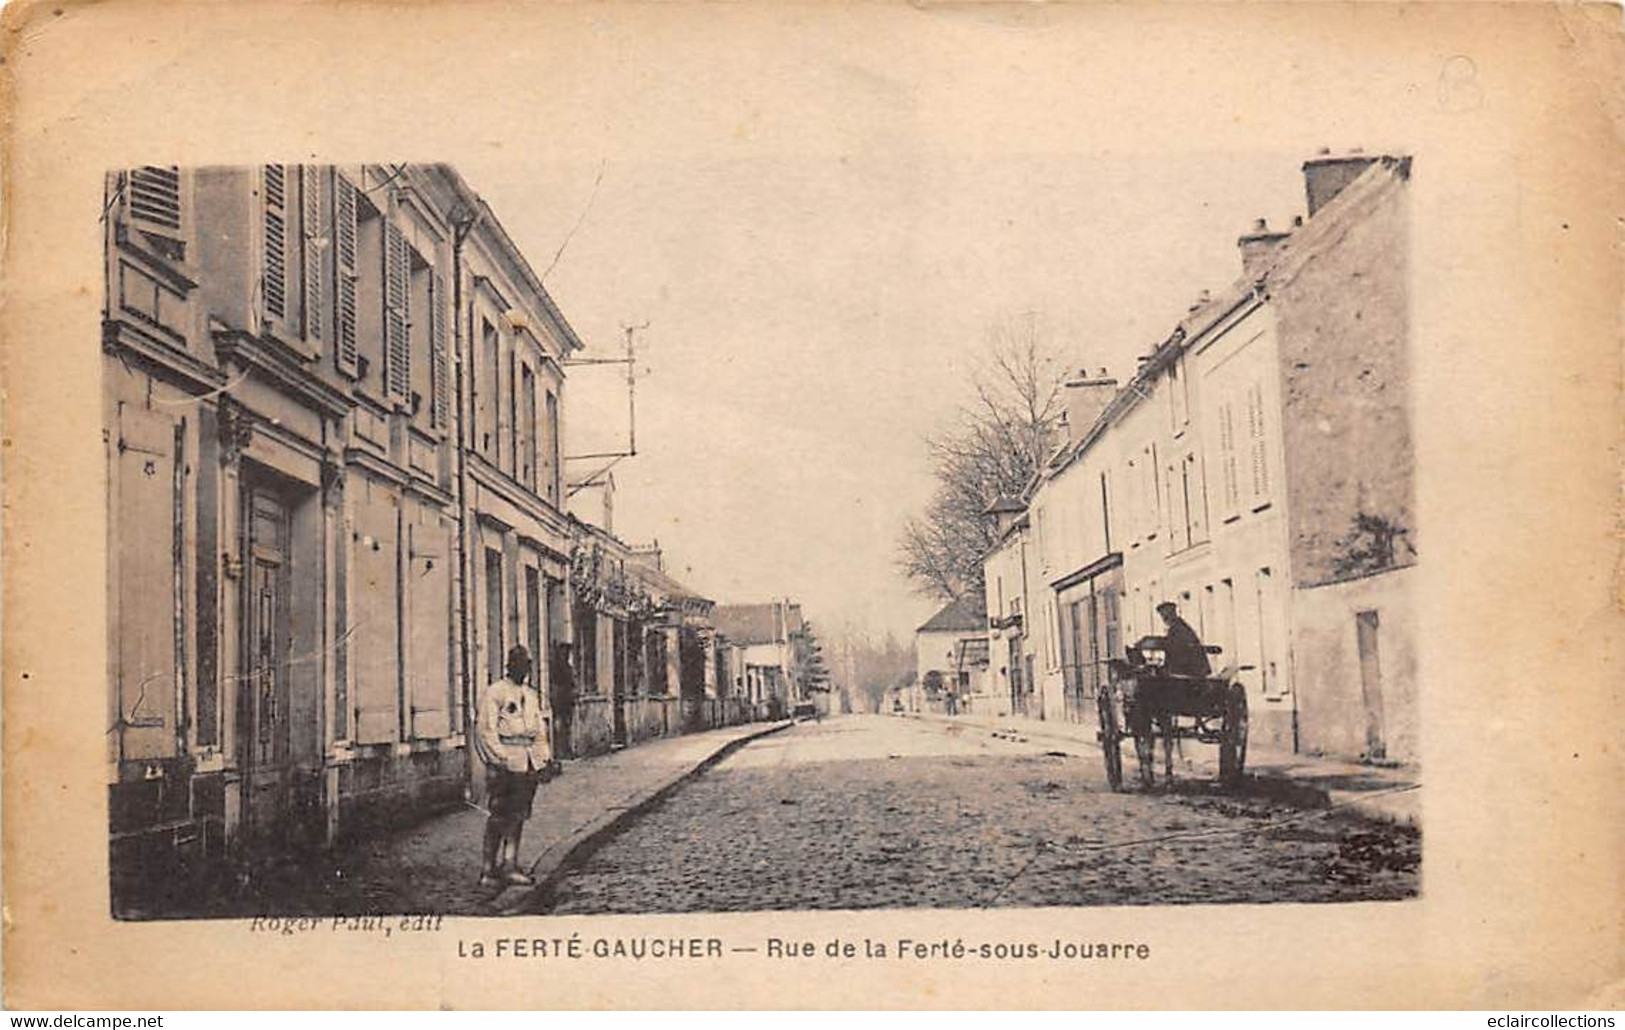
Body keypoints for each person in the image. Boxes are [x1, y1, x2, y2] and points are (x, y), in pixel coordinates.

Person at [473, 645, 551, 890]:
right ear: (509, 665)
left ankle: (510, 864)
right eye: (519, 663)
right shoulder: (496, 692)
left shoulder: (530, 695)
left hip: (527, 762)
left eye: (527, 664)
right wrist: (499, 759)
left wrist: (544, 759)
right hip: (506, 761)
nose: (524, 668)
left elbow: (539, 731)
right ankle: (488, 868)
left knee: (519, 815)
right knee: (498, 815)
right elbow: (485, 730)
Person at [1155, 601, 1212, 678]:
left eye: (1167, 615)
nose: (1164, 618)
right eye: (1163, 616)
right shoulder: (1178, 627)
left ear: (1174, 614)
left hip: (1190, 671)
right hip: (1190, 670)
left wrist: (1166, 668)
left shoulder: (1179, 629)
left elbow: (1176, 651)